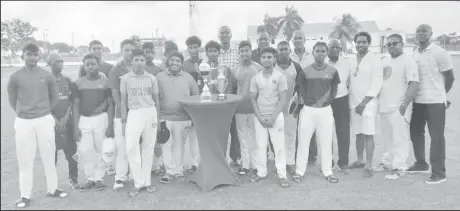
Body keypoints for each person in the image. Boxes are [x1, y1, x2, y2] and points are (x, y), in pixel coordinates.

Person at [7, 43, 68, 209]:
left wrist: (44, 111)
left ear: (39, 57)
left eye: (35, 55)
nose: (32, 58)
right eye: (29, 55)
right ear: (23, 56)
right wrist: (23, 112)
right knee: (25, 159)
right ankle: (25, 196)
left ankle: (53, 188)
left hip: (44, 119)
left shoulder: (46, 75)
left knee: (49, 155)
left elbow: (54, 98)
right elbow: (12, 99)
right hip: (23, 122)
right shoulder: (15, 77)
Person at [409, 24, 455, 184]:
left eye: (424, 31)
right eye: (418, 31)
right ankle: (421, 164)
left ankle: (439, 173)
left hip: (435, 102)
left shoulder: (440, 53)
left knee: (436, 137)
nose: (420, 33)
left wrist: (442, 95)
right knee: (416, 133)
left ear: (431, 34)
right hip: (417, 101)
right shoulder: (414, 53)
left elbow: (450, 77)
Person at [294, 42, 340, 184]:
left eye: (323, 51)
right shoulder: (305, 71)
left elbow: (334, 90)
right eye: (317, 51)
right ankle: (299, 172)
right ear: (313, 53)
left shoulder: (332, 71)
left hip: (325, 110)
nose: (320, 53)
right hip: (308, 110)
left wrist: (326, 102)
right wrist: (307, 101)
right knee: (303, 141)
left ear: (326, 53)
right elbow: (300, 89)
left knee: (326, 141)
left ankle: (328, 172)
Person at [375, 33, 419, 180]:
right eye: (389, 44)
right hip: (384, 107)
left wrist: (404, 105)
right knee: (387, 137)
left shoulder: (408, 61)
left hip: (399, 107)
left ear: (402, 44)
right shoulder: (384, 61)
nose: (392, 46)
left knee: (400, 138)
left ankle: (399, 167)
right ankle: (387, 162)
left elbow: (413, 84)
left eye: (395, 43)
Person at [120, 50, 160, 196]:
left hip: (150, 111)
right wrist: (124, 121)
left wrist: (159, 119)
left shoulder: (151, 78)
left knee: (148, 148)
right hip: (134, 113)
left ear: (145, 62)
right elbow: (123, 101)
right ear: (132, 61)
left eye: (141, 60)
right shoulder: (125, 79)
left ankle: (147, 182)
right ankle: (138, 182)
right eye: (136, 60)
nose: (139, 63)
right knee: (131, 147)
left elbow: (157, 100)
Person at [156, 52, 200, 184]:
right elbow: (155, 98)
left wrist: (193, 117)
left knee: (179, 146)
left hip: (182, 118)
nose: (174, 63)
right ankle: (169, 172)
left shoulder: (188, 78)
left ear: (182, 63)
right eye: (172, 60)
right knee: (166, 146)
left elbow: (196, 96)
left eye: (178, 61)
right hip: (165, 117)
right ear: (168, 61)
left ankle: (179, 171)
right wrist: (157, 118)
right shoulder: (159, 77)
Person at [73, 54, 115, 190]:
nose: (91, 67)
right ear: (84, 66)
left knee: (100, 149)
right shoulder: (78, 83)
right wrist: (75, 127)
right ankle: (90, 178)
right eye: (87, 64)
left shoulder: (106, 82)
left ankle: (99, 178)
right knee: (86, 150)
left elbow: (110, 104)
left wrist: (110, 125)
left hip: (101, 119)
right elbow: (76, 106)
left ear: (98, 65)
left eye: (93, 64)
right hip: (84, 120)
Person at [249, 47, 290, 188]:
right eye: (264, 57)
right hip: (260, 117)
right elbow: (253, 99)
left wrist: (273, 117)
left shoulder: (280, 77)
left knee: (279, 147)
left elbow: (283, 99)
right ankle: (261, 172)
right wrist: (260, 117)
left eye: (269, 57)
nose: (267, 60)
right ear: (260, 60)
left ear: (274, 59)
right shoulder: (256, 78)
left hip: (276, 117)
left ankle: (282, 175)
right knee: (260, 146)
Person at [348, 31, 384, 178]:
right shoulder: (351, 60)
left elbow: (377, 83)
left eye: (363, 42)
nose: (360, 44)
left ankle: (369, 165)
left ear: (369, 43)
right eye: (358, 42)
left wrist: (363, 103)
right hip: (354, 103)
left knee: (368, 134)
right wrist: (356, 103)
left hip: (368, 103)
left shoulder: (374, 59)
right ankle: (359, 160)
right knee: (358, 133)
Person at [108, 39, 136, 190]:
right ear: (121, 51)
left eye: (132, 50)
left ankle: (134, 174)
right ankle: (120, 177)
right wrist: (123, 110)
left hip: (137, 113)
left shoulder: (139, 68)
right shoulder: (115, 70)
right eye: (126, 50)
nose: (129, 53)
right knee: (122, 145)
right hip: (122, 114)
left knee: (135, 145)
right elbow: (114, 92)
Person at [48, 52, 79, 189]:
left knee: (72, 152)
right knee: (51, 154)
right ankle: (52, 183)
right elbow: (43, 104)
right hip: (50, 123)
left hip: (68, 122)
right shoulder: (45, 81)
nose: (59, 64)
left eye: (61, 61)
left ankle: (74, 179)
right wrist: (55, 120)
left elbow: (71, 102)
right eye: (56, 62)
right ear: (50, 63)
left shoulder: (68, 81)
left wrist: (66, 118)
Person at [232, 41, 263, 175]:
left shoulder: (259, 68)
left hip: (255, 109)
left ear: (251, 51)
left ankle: (256, 165)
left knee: (255, 138)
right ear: (239, 53)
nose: (245, 53)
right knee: (242, 137)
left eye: (247, 50)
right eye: (242, 51)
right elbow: (233, 89)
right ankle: (245, 165)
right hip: (240, 108)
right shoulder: (235, 69)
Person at [274, 41, 303, 175]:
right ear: (277, 51)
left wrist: (298, 103)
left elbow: (301, 87)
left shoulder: (296, 66)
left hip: (291, 104)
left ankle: (290, 163)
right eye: (281, 49)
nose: (283, 51)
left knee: (291, 134)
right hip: (275, 104)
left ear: (290, 50)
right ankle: (280, 162)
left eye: (286, 49)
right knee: (277, 135)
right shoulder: (272, 66)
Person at [290, 30, 317, 166]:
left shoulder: (312, 56)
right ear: (292, 40)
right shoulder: (288, 56)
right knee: (294, 125)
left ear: (305, 40)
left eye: (300, 38)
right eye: (296, 38)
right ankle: (296, 153)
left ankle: (311, 155)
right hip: (294, 95)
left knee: (309, 125)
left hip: (310, 95)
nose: (298, 40)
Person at [327, 39, 353, 174]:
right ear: (327, 48)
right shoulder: (321, 61)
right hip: (326, 101)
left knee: (343, 132)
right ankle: (328, 163)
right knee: (326, 133)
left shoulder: (347, 63)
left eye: (338, 47)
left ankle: (343, 162)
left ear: (341, 48)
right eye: (332, 47)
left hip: (342, 99)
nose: (335, 49)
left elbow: (351, 82)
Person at [218, 25, 241, 167]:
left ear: (231, 35)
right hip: (218, 95)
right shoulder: (215, 53)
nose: (225, 35)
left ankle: (236, 156)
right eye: (222, 33)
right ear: (218, 36)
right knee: (221, 127)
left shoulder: (237, 52)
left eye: (227, 32)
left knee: (235, 126)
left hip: (234, 92)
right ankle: (222, 156)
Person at [181, 35, 204, 173]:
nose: (193, 50)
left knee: (203, 134)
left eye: (195, 47)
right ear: (188, 49)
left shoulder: (206, 64)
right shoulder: (184, 65)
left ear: (199, 48)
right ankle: (194, 163)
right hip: (190, 103)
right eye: (190, 47)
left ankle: (205, 160)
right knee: (191, 135)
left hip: (204, 102)